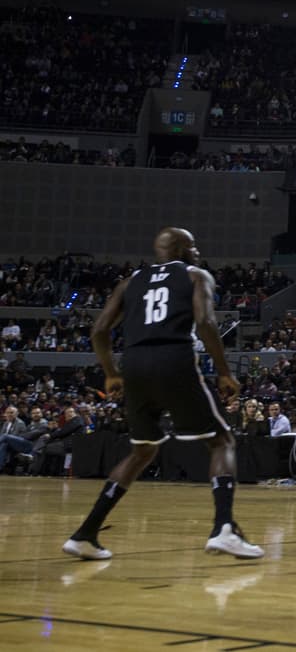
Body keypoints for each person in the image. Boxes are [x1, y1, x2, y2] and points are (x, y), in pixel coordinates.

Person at [62, 227, 263, 560]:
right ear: (182, 249)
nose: (197, 252)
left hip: (134, 365)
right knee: (222, 441)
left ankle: (85, 534)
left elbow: (99, 330)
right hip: (174, 358)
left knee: (142, 450)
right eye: (194, 246)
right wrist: (224, 371)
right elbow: (206, 323)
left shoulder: (130, 282)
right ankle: (224, 529)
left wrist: (111, 373)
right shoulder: (196, 275)